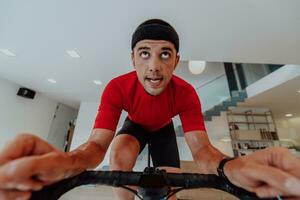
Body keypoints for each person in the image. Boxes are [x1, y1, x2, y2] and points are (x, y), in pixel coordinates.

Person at [0, 19, 300, 200]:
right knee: (119, 154)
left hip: (163, 129)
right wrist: (68, 161)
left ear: (175, 60)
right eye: (145, 54)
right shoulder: (117, 87)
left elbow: (204, 152)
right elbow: (95, 148)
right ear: (133, 58)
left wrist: (231, 166)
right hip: (136, 125)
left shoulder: (186, 92)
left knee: (171, 176)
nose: (154, 66)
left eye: (164, 55)